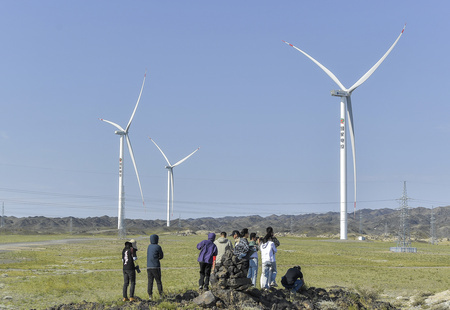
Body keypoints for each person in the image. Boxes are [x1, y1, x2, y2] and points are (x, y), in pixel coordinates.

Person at [147, 234, 164, 300]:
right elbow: (161, 256)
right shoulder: (158, 247)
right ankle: (161, 295)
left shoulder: (149, 246)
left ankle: (150, 296)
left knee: (150, 282)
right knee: (158, 281)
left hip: (149, 266)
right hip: (156, 266)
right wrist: (158, 258)